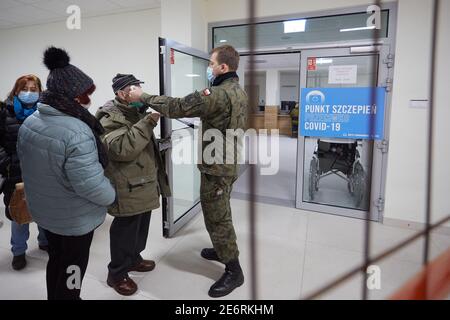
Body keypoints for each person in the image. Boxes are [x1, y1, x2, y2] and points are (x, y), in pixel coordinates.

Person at [128, 45, 248, 298]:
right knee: (220, 209)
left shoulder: (216, 93)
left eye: (211, 63)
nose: (209, 68)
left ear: (223, 68)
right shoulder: (238, 91)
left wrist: (143, 95)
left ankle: (234, 270)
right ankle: (221, 248)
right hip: (228, 161)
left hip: (217, 167)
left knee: (218, 216)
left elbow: (177, 106)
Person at [17, 47, 115, 300]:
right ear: (72, 95)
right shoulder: (77, 131)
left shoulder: (31, 122)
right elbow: (89, 185)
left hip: (46, 212)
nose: (87, 100)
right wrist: (112, 195)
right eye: (84, 94)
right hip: (74, 219)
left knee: (57, 260)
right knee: (73, 268)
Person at [95, 74, 170, 296]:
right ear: (121, 94)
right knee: (125, 229)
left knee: (141, 224)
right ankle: (116, 273)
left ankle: (134, 258)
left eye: (139, 87)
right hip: (126, 184)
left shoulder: (135, 111)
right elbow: (122, 149)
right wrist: (149, 121)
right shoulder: (109, 117)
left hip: (143, 182)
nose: (138, 91)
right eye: (133, 88)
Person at [0, 75, 48, 271]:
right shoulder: (4, 112)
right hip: (15, 172)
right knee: (19, 213)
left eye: (33, 88)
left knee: (45, 211)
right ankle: (18, 252)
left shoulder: (46, 113)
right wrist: (7, 163)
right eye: (25, 88)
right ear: (16, 90)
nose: (29, 93)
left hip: (43, 172)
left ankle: (45, 241)